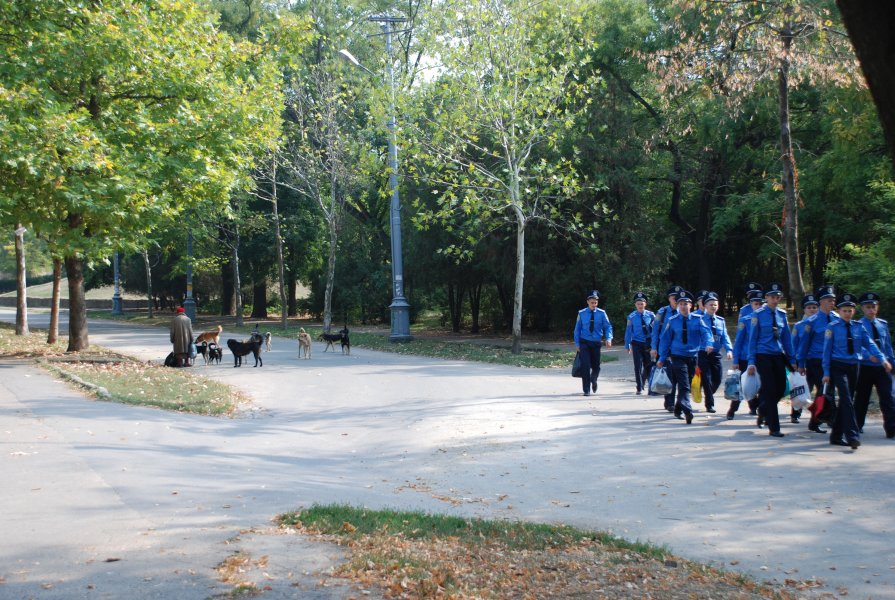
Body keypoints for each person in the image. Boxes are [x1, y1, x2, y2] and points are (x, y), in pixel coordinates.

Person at [823, 293, 892, 449]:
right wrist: (826, 372)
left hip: (854, 366)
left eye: (850, 311)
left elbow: (870, 345)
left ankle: (835, 435)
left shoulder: (858, 327)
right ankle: (852, 436)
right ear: (839, 312)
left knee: (846, 401)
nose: (848, 313)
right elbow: (826, 352)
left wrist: (882, 359)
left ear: (854, 311)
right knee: (847, 399)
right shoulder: (832, 327)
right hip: (837, 366)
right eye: (844, 311)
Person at [747, 283, 796, 438]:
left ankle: (763, 409)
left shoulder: (782, 314)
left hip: (778, 355)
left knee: (781, 388)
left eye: (777, 297)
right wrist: (751, 361)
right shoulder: (758, 315)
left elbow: (787, 339)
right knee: (769, 389)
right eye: (772, 297)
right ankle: (774, 427)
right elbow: (752, 340)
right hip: (763, 356)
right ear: (766, 298)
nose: (775, 300)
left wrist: (792, 358)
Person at [656, 290, 713, 424]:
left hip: (693, 356)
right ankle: (687, 410)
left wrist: (709, 344)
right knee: (685, 385)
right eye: (680, 304)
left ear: (691, 305)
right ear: (677, 306)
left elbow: (706, 333)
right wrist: (661, 358)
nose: (683, 306)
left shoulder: (698, 320)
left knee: (685, 384)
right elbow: (665, 340)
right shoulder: (672, 321)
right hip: (677, 356)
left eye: (685, 303)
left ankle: (677, 409)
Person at [797, 285, 839, 433]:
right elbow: (804, 345)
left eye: (833, 300)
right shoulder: (812, 321)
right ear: (821, 302)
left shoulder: (837, 318)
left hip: (833, 361)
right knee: (825, 392)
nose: (832, 303)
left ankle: (816, 422)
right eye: (829, 300)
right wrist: (801, 364)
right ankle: (831, 421)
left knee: (826, 393)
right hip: (816, 361)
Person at [854, 292, 895, 439]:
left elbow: (887, 346)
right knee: (862, 398)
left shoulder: (882, 325)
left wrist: (892, 362)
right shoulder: (858, 325)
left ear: (877, 307)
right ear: (862, 309)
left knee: (887, 397)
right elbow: (857, 345)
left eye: (873, 307)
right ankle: (857, 426)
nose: (871, 310)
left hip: (882, 367)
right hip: (865, 366)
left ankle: (891, 428)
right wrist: (867, 355)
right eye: (868, 307)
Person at [727, 290, 765, 419]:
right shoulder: (745, 320)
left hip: (762, 357)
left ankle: (759, 408)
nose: (759, 306)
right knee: (742, 386)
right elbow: (738, 342)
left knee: (763, 386)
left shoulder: (769, 320)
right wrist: (736, 360)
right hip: (745, 357)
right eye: (756, 304)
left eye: (761, 304)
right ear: (751, 305)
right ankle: (732, 410)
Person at [791, 293, 825, 433]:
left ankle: (818, 418)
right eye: (809, 307)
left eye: (815, 307)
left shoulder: (824, 323)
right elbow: (794, 346)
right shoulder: (799, 326)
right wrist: (797, 364)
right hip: (804, 364)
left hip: (819, 362)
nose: (812, 310)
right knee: (803, 390)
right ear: (804, 309)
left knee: (822, 391)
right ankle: (795, 413)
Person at [698, 292, 733, 413]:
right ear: (705, 306)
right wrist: (708, 344)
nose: (713, 306)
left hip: (716, 353)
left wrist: (729, 349)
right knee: (706, 378)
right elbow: (706, 334)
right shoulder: (700, 320)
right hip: (703, 353)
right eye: (711, 304)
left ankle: (708, 393)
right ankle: (709, 404)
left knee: (717, 379)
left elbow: (724, 336)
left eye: (715, 304)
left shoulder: (720, 321)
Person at [574, 290, 613, 396]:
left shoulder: (602, 313)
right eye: (592, 302)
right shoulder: (581, 313)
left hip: (596, 343)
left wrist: (608, 338)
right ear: (588, 302)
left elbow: (608, 326)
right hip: (584, 342)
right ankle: (586, 389)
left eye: (595, 302)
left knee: (596, 366)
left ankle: (593, 380)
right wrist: (577, 344)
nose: (594, 304)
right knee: (585, 366)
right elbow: (577, 330)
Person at [651, 285, 683, 409]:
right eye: (673, 297)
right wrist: (654, 347)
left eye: (678, 297)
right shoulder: (662, 312)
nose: (676, 299)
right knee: (669, 375)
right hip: (665, 348)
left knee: (681, 376)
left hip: (680, 348)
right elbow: (655, 331)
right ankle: (670, 403)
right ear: (669, 298)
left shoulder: (685, 311)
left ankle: (681, 401)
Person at [624, 292, 655, 395]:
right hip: (636, 343)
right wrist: (627, 344)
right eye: (638, 304)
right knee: (637, 366)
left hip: (647, 343)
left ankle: (651, 386)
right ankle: (639, 387)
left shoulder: (651, 315)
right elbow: (628, 331)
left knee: (648, 365)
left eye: (642, 304)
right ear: (635, 305)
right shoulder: (631, 317)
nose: (640, 306)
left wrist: (655, 343)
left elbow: (655, 330)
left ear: (645, 304)